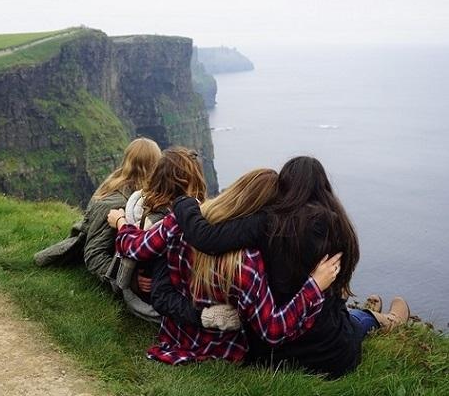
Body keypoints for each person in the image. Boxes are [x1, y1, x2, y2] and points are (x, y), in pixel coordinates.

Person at [173, 156, 409, 377]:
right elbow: (336, 290)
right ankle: (386, 319)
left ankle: (374, 314)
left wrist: (184, 202)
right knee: (346, 319)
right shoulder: (339, 228)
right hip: (328, 353)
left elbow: (207, 238)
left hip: (267, 355)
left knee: (338, 315)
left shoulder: (265, 224)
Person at [108, 168, 343, 365]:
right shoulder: (247, 262)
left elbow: (133, 247)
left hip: (175, 336)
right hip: (224, 349)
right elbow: (272, 330)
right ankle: (369, 318)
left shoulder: (180, 220)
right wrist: (314, 286)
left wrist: (121, 222)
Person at [106, 147, 209, 323]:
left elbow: (135, 247)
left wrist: (120, 222)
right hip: (192, 292)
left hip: (165, 298)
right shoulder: (202, 214)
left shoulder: (156, 215)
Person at [81, 137, 162, 280]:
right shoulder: (115, 203)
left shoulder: (131, 190)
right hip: (120, 261)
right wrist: (129, 279)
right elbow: (94, 255)